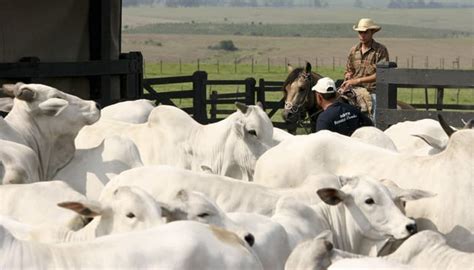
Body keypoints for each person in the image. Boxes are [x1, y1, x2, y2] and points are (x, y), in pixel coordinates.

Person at [340, 18, 389, 122]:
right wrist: (348, 75)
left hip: (373, 91)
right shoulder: (354, 50)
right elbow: (349, 69)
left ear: (372, 32)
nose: (362, 35)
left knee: (374, 118)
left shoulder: (380, 50)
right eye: (360, 32)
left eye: (365, 32)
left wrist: (358, 80)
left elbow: (381, 74)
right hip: (354, 90)